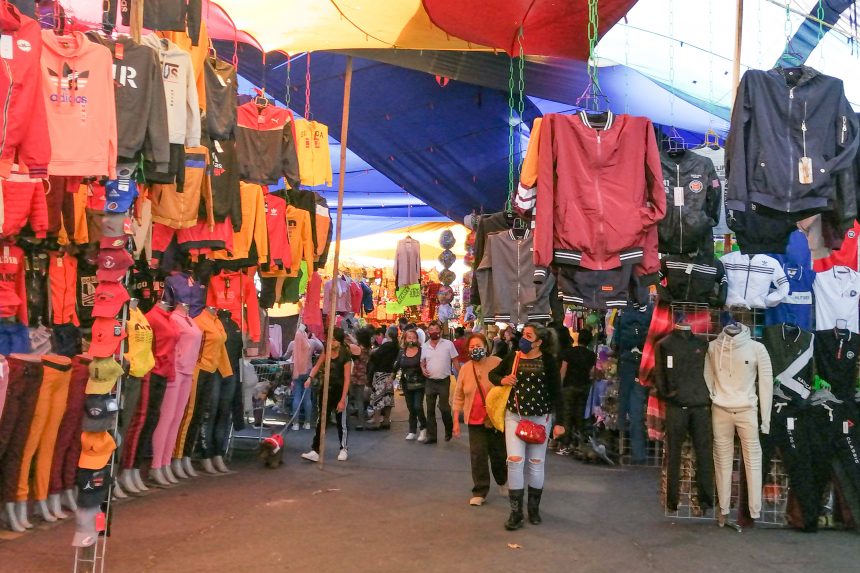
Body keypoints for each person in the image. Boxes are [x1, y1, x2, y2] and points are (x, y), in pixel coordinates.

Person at [489, 324, 564, 530]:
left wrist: (560, 422)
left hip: (541, 419)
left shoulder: (548, 361)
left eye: (528, 336)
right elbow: (493, 375)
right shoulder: (513, 357)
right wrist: (503, 380)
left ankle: (533, 509)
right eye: (524, 334)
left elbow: (557, 392)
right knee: (514, 461)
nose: (523, 338)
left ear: (539, 342)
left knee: (536, 463)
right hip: (515, 417)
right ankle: (515, 513)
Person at [453, 333, 507, 506]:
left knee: (498, 455)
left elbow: (506, 387)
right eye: (472, 347)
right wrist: (456, 421)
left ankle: (502, 480)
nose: (475, 349)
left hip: (494, 419)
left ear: (486, 347)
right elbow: (458, 396)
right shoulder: (465, 369)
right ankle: (480, 491)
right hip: (474, 420)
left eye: (478, 346)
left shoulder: (497, 362)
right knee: (478, 456)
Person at [301, 328, 352, 462]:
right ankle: (316, 449)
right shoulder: (326, 351)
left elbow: (347, 379)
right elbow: (317, 366)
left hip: (340, 390)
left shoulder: (345, 355)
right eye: (330, 339)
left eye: (334, 340)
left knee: (341, 422)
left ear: (339, 341)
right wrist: (310, 378)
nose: (331, 342)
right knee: (322, 420)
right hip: (326, 389)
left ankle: (343, 448)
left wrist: (342, 399)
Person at [557, 329, 597, 454]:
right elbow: (592, 373)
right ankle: (579, 442)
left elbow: (563, 371)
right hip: (584, 387)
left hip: (569, 386)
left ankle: (565, 443)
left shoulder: (568, 352)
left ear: (578, 338)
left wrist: (559, 386)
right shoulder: (592, 355)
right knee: (580, 415)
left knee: (567, 414)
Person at [420, 320, 460, 444]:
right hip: (430, 381)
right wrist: (423, 369)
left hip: (444, 381)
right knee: (430, 409)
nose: (434, 332)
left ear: (440, 331)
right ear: (428, 332)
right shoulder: (424, 346)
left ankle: (449, 429)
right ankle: (432, 436)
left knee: (444, 408)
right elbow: (422, 362)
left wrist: (461, 377)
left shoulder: (448, 344)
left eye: (436, 329)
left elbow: (455, 361)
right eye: (431, 330)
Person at [284, 325, 321, 430]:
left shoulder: (292, 343)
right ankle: (307, 423)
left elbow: (285, 356)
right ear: (307, 333)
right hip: (308, 371)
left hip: (296, 371)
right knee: (307, 398)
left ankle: (295, 424)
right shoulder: (311, 343)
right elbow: (322, 348)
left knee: (296, 397)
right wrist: (315, 337)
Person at [393, 329, 427, 441]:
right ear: (405, 339)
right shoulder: (402, 352)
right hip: (406, 383)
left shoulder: (422, 351)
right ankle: (412, 430)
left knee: (418, 406)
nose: (411, 340)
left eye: (414, 337)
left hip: (419, 383)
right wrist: (391, 377)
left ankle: (423, 428)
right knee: (411, 407)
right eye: (409, 337)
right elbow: (396, 365)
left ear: (417, 339)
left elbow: (426, 363)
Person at [366, 325, 399, 429]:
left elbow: (375, 357)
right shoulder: (395, 345)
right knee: (388, 398)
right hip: (389, 373)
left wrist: (372, 352)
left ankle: (376, 422)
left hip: (380, 373)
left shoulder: (386, 345)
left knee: (378, 398)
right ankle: (386, 421)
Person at [349, 328, 373, 430]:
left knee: (349, 397)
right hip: (363, 374)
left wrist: (348, 335)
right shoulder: (368, 348)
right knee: (360, 400)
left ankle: (346, 420)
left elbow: (352, 345)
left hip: (354, 374)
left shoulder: (357, 348)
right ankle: (361, 422)